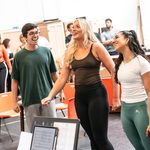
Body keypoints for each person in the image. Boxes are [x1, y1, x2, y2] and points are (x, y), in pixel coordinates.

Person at [42, 18, 120, 150]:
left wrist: (116, 98)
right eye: (72, 26)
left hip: (97, 95)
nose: (73, 29)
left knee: (101, 139)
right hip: (80, 97)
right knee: (92, 138)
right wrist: (50, 96)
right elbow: (62, 78)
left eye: (77, 26)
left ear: (85, 29)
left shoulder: (96, 46)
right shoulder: (70, 50)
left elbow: (113, 71)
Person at [11, 23, 58, 132]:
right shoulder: (19, 56)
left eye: (37, 32)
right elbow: (14, 81)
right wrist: (13, 102)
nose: (35, 35)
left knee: (51, 131)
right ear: (24, 37)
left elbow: (54, 74)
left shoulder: (46, 51)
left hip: (48, 98)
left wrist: (62, 91)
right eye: (31, 33)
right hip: (29, 100)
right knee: (34, 132)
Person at [113, 30, 150, 150]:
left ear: (127, 39)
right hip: (125, 110)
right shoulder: (119, 64)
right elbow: (117, 82)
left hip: (141, 109)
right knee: (137, 146)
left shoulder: (141, 63)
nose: (113, 40)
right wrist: (116, 98)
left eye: (117, 37)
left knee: (147, 145)